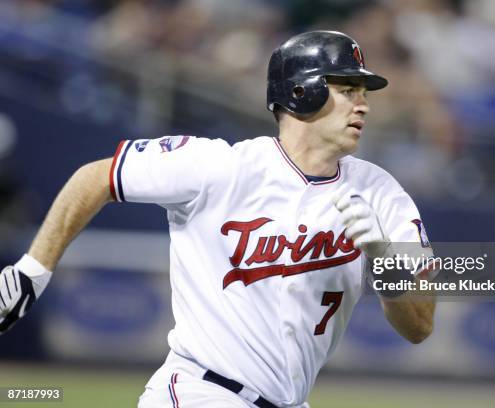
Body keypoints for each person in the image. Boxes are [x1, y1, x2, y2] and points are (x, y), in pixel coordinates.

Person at [0, 31, 435, 407]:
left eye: (363, 93)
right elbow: (97, 177)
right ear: (302, 92)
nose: (364, 106)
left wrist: (387, 263)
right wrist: (33, 270)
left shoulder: (381, 193)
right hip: (200, 391)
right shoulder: (219, 166)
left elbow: (419, 326)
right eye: (348, 89)